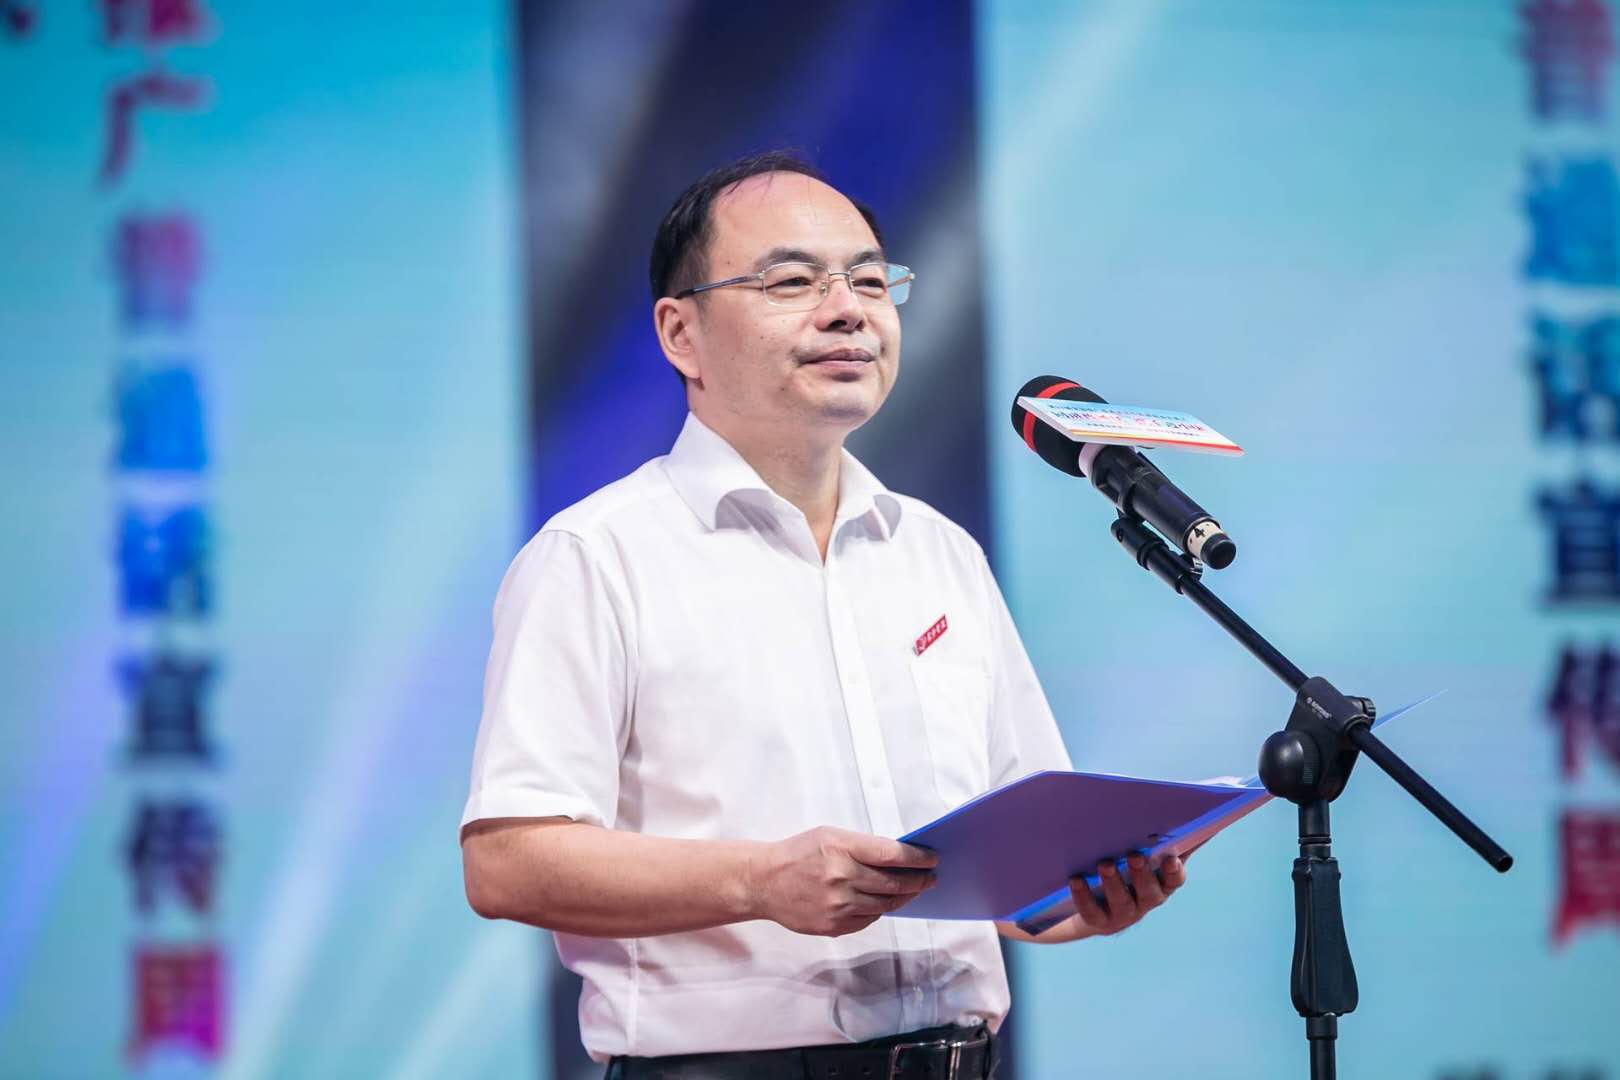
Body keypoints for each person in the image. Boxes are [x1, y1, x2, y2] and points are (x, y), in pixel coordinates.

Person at [459, 150, 1187, 1079]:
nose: (848, 310)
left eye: (871, 281)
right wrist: (758, 882)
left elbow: (1019, 879)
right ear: (681, 334)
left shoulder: (938, 552)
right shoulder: (597, 557)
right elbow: (508, 862)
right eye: (792, 281)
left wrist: (1087, 896)